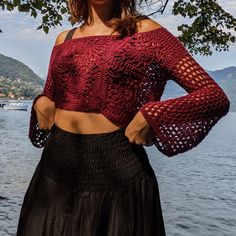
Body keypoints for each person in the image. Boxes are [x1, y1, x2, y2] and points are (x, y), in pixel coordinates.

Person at [16, 0, 230, 235]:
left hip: (119, 171)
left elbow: (213, 96)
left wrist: (153, 115)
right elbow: (53, 95)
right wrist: (39, 102)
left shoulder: (147, 32)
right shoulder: (64, 39)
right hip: (54, 170)